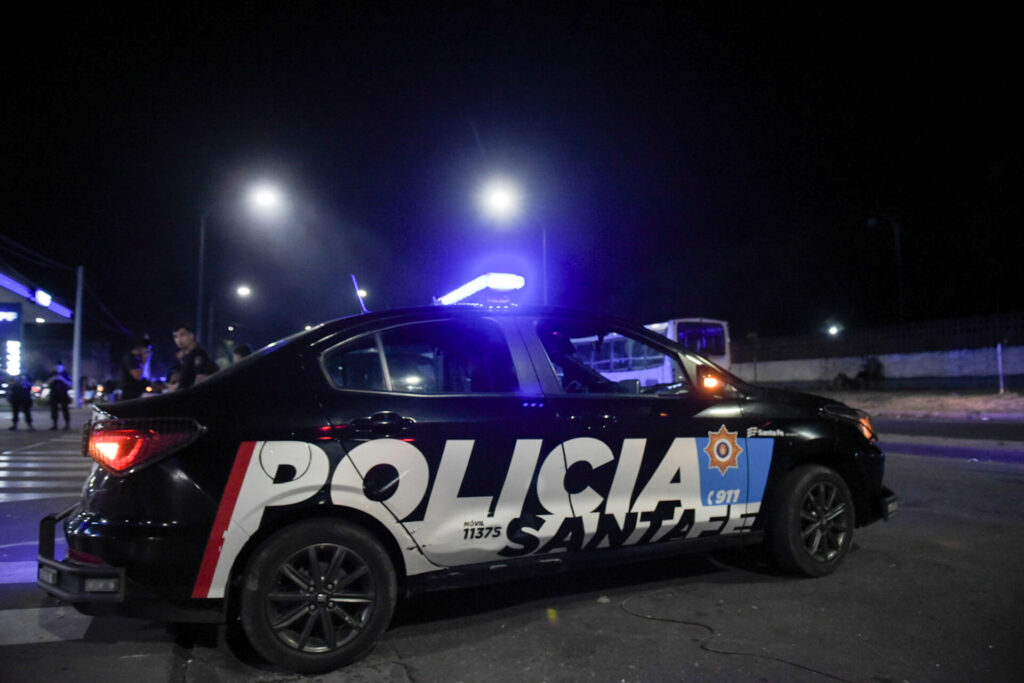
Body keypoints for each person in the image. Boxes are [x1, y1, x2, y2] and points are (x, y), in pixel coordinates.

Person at [172, 323, 219, 389]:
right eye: (176, 337)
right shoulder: (185, 357)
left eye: (182, 335)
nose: (179, 340)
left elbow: (201, 379)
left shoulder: (199, 354)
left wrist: (177, 388)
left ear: (191, 336)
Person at [46, 363, 72, 430]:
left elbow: (70, 384)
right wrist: (52, 379)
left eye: (60, 367)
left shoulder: (66, 374)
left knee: (65, 409)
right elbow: (47, 383)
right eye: (57, 367)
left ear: (63, 368)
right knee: (54, 409)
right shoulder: (52, 374)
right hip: (54, 394)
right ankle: (54, 425)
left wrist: (62, 379)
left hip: (63, 394)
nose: (58, 369)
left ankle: (67, 425)